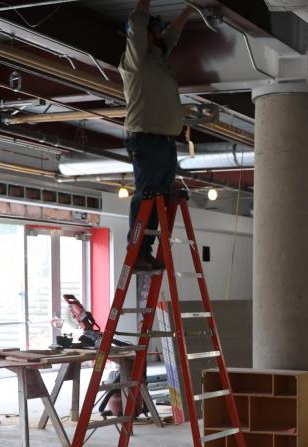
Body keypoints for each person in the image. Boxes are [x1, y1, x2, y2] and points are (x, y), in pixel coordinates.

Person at [119, 0, 194, 271]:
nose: (162, 35)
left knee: (159, 198)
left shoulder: (158, 60)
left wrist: (188, 11)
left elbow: (170, 37)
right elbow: (138, 23)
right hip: (147, 139)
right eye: (156, 31)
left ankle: (145, 250)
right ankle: (137, 250)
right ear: (145, 36)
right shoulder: (136, 61)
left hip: (163, 141)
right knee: (148, 195)